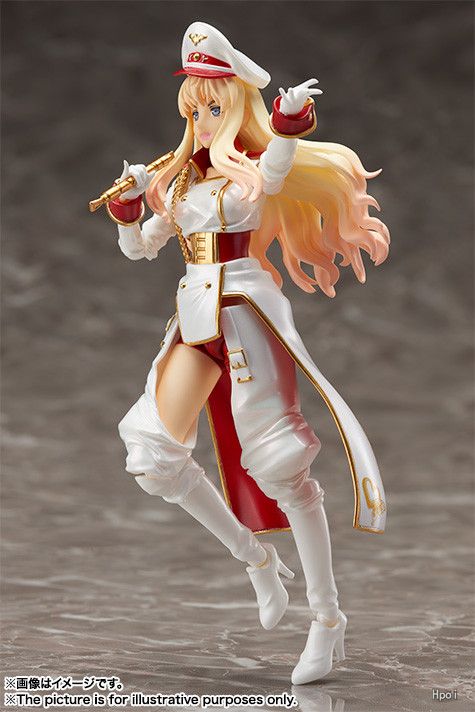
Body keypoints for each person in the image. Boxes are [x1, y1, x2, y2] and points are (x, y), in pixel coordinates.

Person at [106, 21, 390, 684]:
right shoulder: (178, 182)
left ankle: (327, 618)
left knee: (282, 467)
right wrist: (129, 212)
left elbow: (279, 167)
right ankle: (255, 559)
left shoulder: (249, 174)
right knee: (151, 457)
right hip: (195, 317)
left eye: (213, 109)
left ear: (236, 109)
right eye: (194, 112)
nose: (202, 122)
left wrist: (289, 121)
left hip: (247, 315)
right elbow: (140, 249)